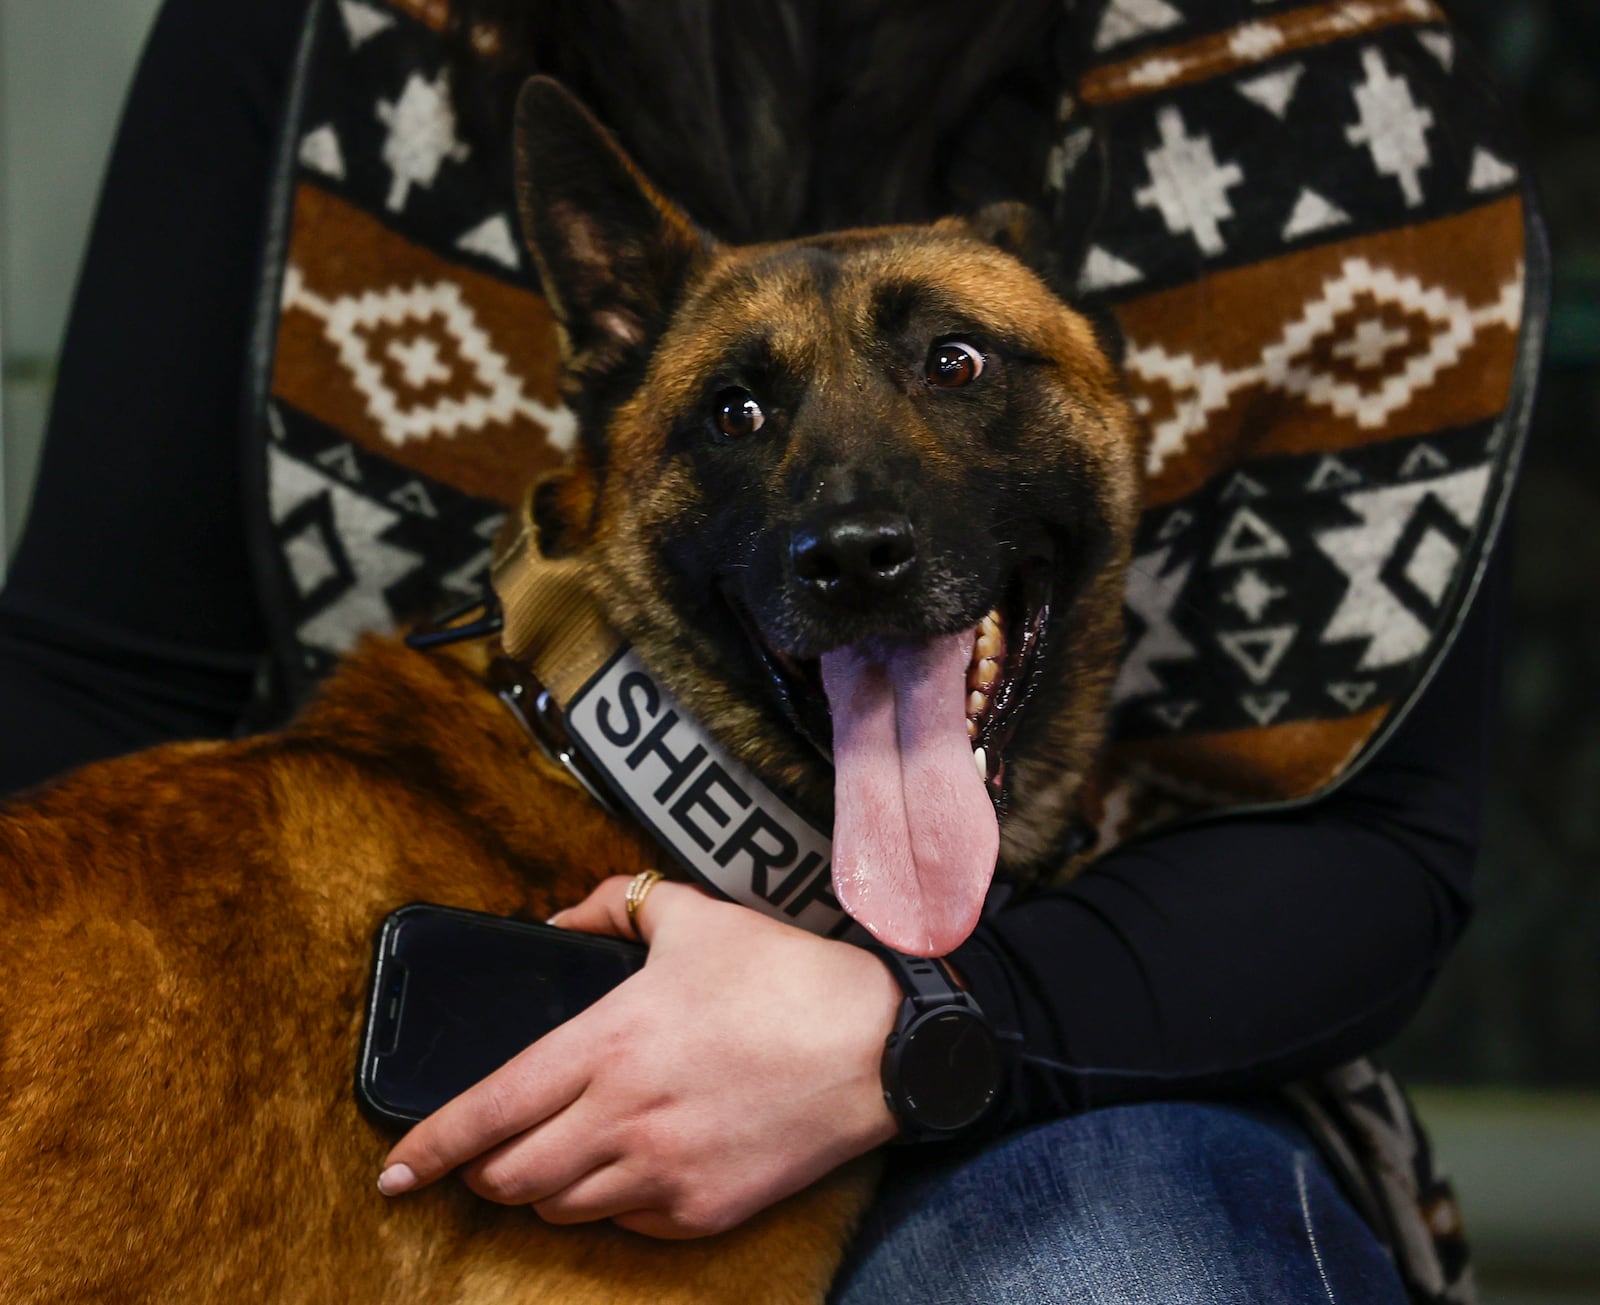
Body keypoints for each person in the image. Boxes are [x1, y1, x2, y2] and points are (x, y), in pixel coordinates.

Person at [0, 1, 1538, 1300]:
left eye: (956, 366)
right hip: (448, 897)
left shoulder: (1319, 67)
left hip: (1123, 1050)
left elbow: (1380, 843)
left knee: (1115, 1261)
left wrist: (918, 1027)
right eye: (736, 413)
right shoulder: (324, 35)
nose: (851, 520)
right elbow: (99, 679)